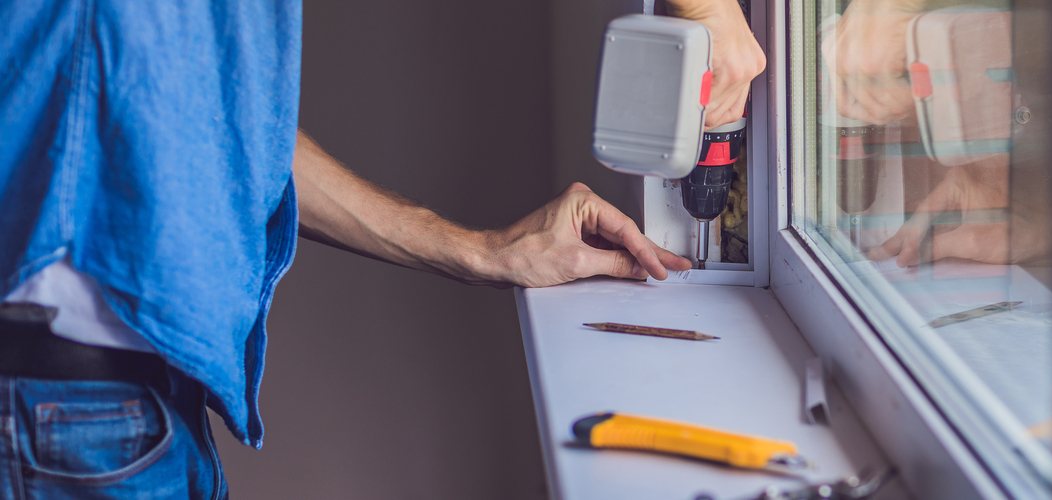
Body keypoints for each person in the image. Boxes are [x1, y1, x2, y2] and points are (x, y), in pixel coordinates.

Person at [0, 1, 764, 497]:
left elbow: (226, 126)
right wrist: (706, 11)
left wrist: (480, 251)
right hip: (64, 413)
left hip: (131, 407)